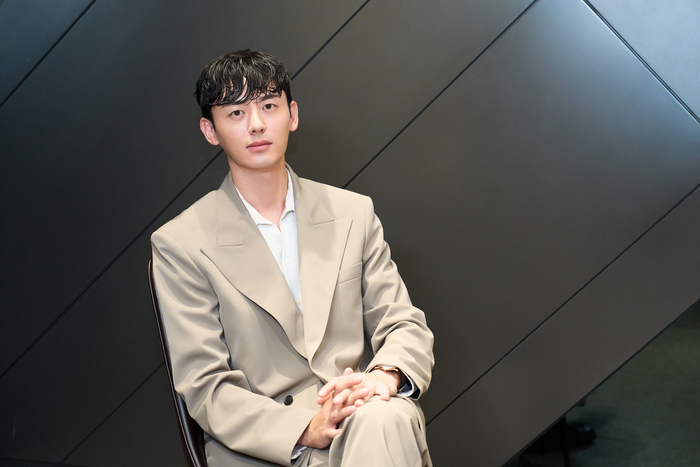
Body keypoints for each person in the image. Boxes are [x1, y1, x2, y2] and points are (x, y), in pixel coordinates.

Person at [150, 49, 434, 467]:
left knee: (384, 417)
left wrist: (383, 376)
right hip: (271, 447)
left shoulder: (352, 213)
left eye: (268, 106)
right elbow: (206, 386)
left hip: (361, 419)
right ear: (210, 131)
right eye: (236, 113)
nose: (257, 124)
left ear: (292, 115)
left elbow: (403, 324)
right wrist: (304, 428)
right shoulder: (181, 243)